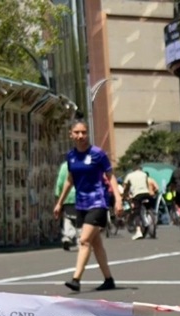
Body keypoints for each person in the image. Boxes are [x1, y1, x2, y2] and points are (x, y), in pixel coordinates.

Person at [53, 120, 122, 292]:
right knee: (96, 243)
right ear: (71, 134)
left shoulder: (98, 154)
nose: (80, 136)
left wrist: (118, 199)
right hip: (81, 203)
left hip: (98, 202)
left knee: (84, 241)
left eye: (83, 132)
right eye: (76, 133)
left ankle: (76, 279)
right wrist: (59, 202)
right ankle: (109, 279)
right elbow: (70, 180)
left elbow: (110, 176)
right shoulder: (71, 156)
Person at [123, 157, 159, 240]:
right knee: (148, 207)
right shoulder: (144, 174)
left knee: (137, 212)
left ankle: (138, 230)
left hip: (137, 195)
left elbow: (125, 187)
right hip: (146, 194)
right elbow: (146, 185)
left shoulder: (129, 175)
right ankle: (151, 217)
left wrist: (125, 195)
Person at [54, 158, 78, 250]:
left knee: (68, 218)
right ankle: (79, 238)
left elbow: (59, 183)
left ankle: (67, 236)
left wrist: (58, 197)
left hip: (67, 197)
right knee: (80, 220)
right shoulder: (80, 165)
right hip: (79, 197)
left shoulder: (64, 166)